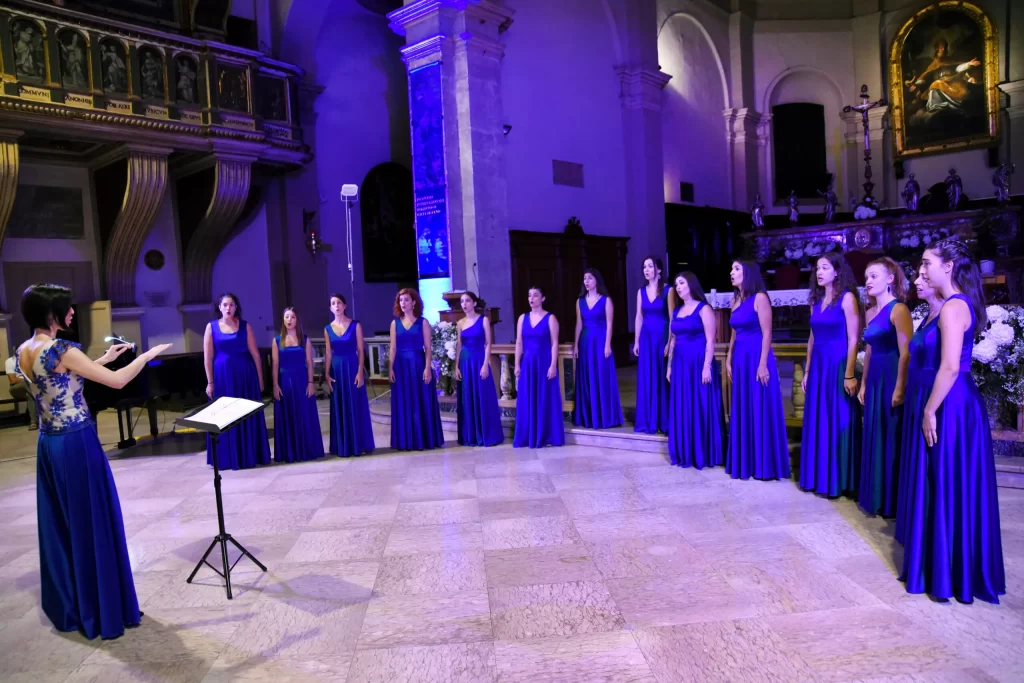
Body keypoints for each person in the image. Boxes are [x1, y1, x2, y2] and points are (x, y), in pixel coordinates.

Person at [15, 283, 171, 639]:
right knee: (91, 519)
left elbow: (61, 378)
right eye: (67, 307)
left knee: (66, 522)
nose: (73, 312)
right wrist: (146, 356)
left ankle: (77, 601)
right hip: (76, 442)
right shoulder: (61, 349)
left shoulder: (24, 349)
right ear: (51, 314)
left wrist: (103, 359)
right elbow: (116, 382)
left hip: (49, 444)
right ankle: (102, 606)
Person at [903, 238, 1004, 604]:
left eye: (927, 263)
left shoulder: (953, 306)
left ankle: (950, 572)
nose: (922, 270)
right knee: (945, 481)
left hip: (952, 402)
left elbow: (948, 367)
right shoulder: (956, 304)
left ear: (948, 266)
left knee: (946, 480)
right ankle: (946, 566)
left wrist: (929, 410)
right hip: (956, 399)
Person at [799, 253, 862, 498]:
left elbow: (854, 339)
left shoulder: (847, 298)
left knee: (838, 417)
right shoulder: (815, 300)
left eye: (825, 268)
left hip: (837, 363)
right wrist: (807, 370)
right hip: (818, 365)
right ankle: (818, 476)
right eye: (817, 268)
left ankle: (839, 479)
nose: (819, 272)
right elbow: (812, 337)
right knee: (819, 417)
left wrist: (849, 373)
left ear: (837, 271)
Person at [725, 261, 789, 480]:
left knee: (759, 405)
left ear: (748, 273)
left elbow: (767, 333)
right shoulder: (734, 300)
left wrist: (762, 364)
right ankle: (746, 461)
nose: (732, 272)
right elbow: (734, 333)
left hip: (757, 355)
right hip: (740, 358)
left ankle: (765, 464)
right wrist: (729, 358)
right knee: (744, 406)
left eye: (736, 269)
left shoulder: (760, 298)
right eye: (732, 269)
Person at [858, 258, 912, 516]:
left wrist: (900, 387)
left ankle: (891, 501)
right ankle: (876, 496)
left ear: (890, 279)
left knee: (890, 435)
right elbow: (869, 351)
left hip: (891, 375)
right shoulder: (870, 312)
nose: (868, 281)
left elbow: (906, 352)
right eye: (866, 277)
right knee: (875, 432)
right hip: (875, 378)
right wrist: (864, 383)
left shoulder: (898, 309)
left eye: (874, 276)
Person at [894, 273, 943, 546]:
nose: (916, 281)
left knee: (931, 466)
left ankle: (932, 533)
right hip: (917, 392)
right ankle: (916, 527)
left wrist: (929, 409)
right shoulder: (926, 315)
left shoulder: (948, 311)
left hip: (931, 393)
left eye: (924, 276)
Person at [203, 293, 272, 470]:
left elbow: (255, 354)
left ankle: (249, 455)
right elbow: (208, 358)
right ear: (219, 307)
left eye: (232, 305)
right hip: (223, 378)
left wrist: (260, 378)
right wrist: (210, 382)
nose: (228, 308)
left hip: (245, 377)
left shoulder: (245, 326)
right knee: (225, 415)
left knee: (246, 414)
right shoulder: (211, 327)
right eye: (225, 305)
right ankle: (227, 458)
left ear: (236, 307)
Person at [666, 272, 724, 468]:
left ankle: (703, 451)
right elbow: (673, 340)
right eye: (676, 284)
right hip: (680, 364)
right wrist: (669, 366)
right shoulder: (677, 311)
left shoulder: (703, 308)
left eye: (682, 283)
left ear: (691, 284)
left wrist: (707, 366)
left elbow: (710, 339)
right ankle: (685, 451)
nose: (678, 287)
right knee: (683, 405)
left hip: (698, 362)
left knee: (700, 404)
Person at [389, 288, 444, 451]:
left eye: (406, 300)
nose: (403, 303)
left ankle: (424, 439)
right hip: (401, 366)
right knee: (404, 402)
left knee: (421, 401)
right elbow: (393, 348)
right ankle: (405, 440)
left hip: (419, 365)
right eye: (401, 300)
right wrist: (390, 368)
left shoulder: (423, 322)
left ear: (414, 302)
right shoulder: (394, 323)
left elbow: (428, 348)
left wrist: (427, 368)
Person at [271, 307, 325, 463]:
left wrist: (311, 383)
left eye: (292, 317)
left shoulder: (305, 339)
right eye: (286, 317)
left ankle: (306, 449)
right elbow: (275, 364)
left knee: (304, 415)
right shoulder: (277, 341)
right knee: (287, 415)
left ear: (297, 320)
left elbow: (309, 362)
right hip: (285, 382)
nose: (289, 320)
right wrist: (275, 385)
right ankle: (289, 452)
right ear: (283, 320)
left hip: (302, 381)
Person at [514, 286, 565, 448]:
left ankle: (545, 434)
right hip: (528, 363)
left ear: (542, 298)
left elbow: (554, 343)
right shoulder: (522, 318)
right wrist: (517, 364)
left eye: (535, 295)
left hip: (544, 363)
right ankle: (527, 436)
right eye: (529, 295)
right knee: (527, 399)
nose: (531, 298)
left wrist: (553, 365)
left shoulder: (550, 318)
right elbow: (519, 342)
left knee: (544, 398)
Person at [325, 294, 375, 457]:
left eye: (339, 303)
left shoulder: (355, 325)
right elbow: (328, 353)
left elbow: (360, 350)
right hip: (337, 370)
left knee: (355, 404)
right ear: (330, 308)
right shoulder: (327, 329)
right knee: (340, 405)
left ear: (345, 306)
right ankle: (343, 445)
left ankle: (359, 443)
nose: (337, 306)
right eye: (333, 303)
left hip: (352, 367)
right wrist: (326, 374)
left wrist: (360, 372)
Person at [573, 268, 623, 429]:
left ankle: (605, 416)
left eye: (590, 278)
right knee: (587, 377)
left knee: (601, 376)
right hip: (585, 341)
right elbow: (579, 324)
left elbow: (610, 324)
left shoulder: (606, 300)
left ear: (597, 281)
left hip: (601, 340)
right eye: (584, 278)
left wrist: (607, 344)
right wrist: (576, 344)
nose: (586, 281)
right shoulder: (580, 301)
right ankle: (589, 416)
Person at [455, 291, 503, 447]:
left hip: (479, 360)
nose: (464, 304)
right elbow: (459, 345)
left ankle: (486, 434)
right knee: (467, 397)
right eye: (462, 301)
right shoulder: (460, 323)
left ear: (474, 303)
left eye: (467, 301)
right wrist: (456, 367)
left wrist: (485, 364)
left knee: (482, 396)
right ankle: (470, 435)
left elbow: (488, 344)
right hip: (465, 362)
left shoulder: (484, 320)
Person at [633, 256, 672, 434]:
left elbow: (672, 317)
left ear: (659, 269)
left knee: (661, 375)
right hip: (646, 337)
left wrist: (670, 341)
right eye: (644, 267)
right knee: (647, 376)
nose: (646, 270)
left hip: (662, 335)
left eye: (650, 266)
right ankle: (648, 419)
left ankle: (664, 420)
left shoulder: (668, 290)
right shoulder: (641, 292)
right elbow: (639, 316)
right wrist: (636, 340)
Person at [6, 353, 38, 429]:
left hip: (29, 388)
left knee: (29, 394)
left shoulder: (28, 361)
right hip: (16, 388)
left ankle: (33, 422)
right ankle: (40, 399)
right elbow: (13, 380)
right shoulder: (10, 361)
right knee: (27, 384)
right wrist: (26, 379)